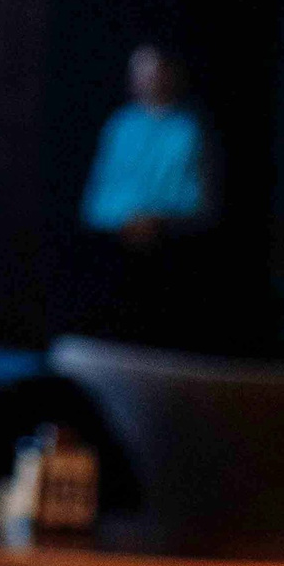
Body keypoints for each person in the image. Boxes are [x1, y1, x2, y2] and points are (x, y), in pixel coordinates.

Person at [79, 43, 216, 349]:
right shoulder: (121, 126)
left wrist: (156, 220)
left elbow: (199, 202)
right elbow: (99, 197)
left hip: (171, 246)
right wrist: (123, 219)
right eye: (139, 73)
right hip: (116, 244)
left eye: (154, 72)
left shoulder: (188, 129)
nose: (146, 80)